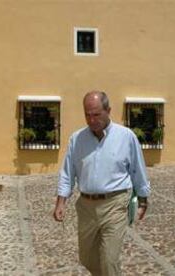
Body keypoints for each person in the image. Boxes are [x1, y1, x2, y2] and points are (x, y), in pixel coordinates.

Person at [53, 91, 150, 276]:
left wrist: (143, 199)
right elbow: (67, 173)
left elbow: (138, 169)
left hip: (115, 204)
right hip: (86, 207)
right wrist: (61, 202)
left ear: (108, 111)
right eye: (87, 115)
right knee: (87, 257)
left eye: (96, 114)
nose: (91, 120)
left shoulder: (126, 137)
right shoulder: (77, 139)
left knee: (109, 259)